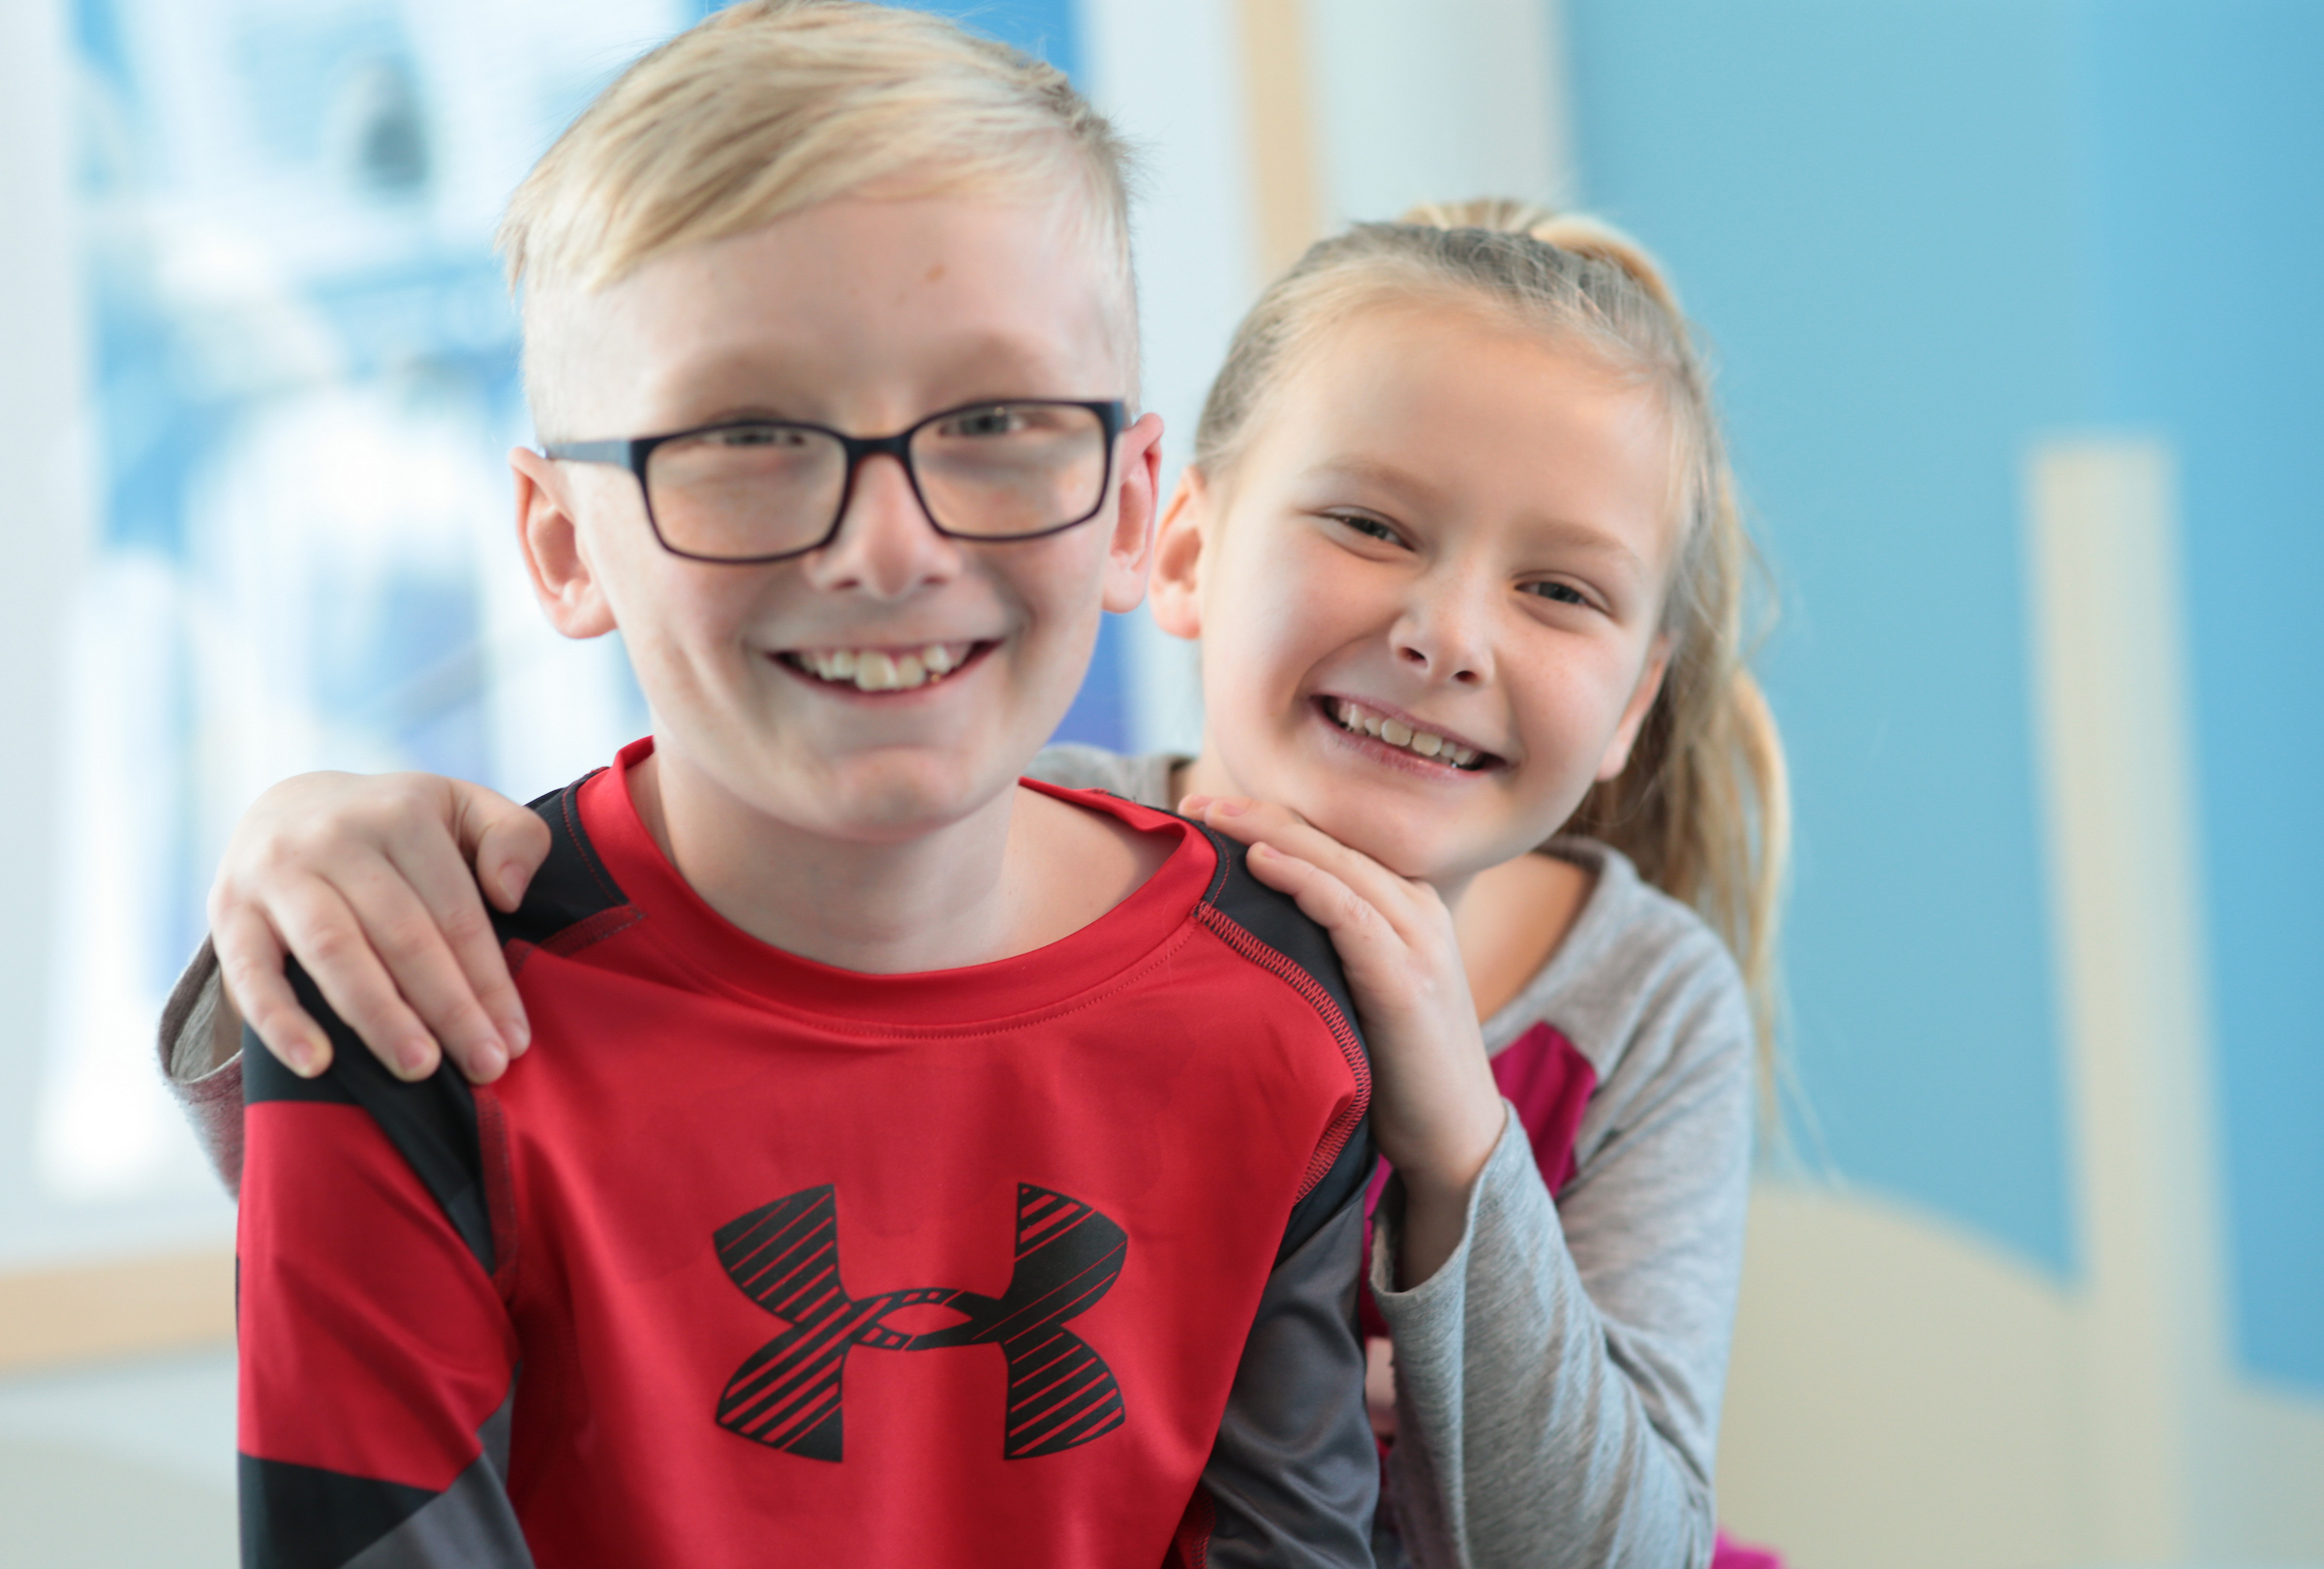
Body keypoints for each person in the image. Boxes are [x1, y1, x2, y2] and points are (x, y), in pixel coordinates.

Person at [168, 204, 1787, 1567]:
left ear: (1637, 700)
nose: (1450, 632)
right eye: (1369, 522)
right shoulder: (993, 851)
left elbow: (1615, 1547)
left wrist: (1455, 1147)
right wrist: (313, 871)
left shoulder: (1639, 998)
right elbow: (473, 1178)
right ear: (1182, 546)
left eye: (1560, 588)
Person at [208, 5, 1388, 1565]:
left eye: (993, 422)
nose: (887, 546)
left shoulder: (1278, 1003)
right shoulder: (414, 1009)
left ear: (1128, 504)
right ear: (565, 543)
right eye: (747, 435)